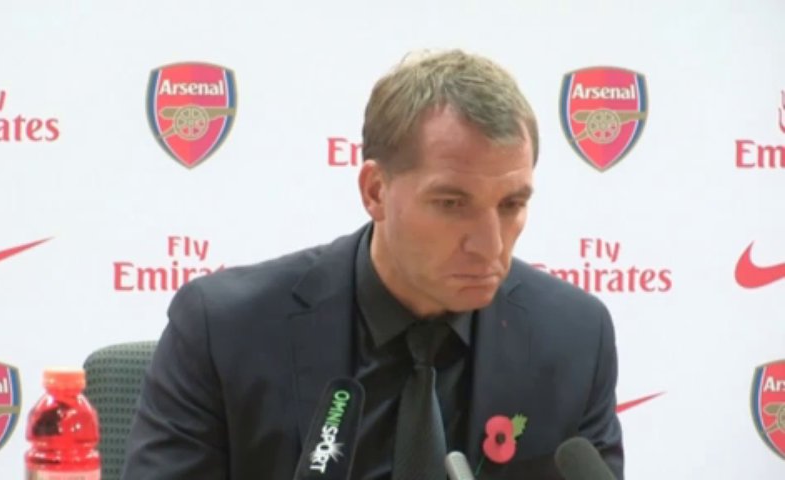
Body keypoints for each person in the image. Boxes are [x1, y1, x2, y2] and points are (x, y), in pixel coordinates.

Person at [121, 49, 623, 480]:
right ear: (375, 191)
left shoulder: (573, 338)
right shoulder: (225, 330)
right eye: (452, 204)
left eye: (511, 204)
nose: (489, 245)